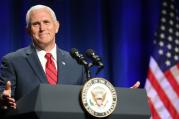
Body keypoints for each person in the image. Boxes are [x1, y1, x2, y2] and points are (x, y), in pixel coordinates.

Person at [0, 4, 140, 111]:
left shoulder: (77, 62)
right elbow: (4, 97)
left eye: (46, 22)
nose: (42, 28)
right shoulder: (13, 61)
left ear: (57, 26)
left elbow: (91, 101)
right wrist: (2, 100)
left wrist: (124, 99)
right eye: (36, 24)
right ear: (28, 31)